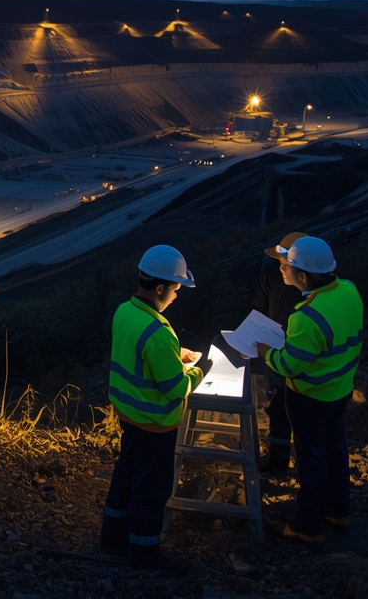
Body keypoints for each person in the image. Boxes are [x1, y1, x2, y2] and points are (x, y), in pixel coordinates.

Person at [99, 245, 205, 573]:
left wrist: (174, 357)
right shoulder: (159, 333)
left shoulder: (125, 312)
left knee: (126, 476)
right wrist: (200, 370)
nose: (176, 296)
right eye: (175, 289)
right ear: (160, 287)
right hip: (155, 424)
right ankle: (145, 555)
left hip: (129, 416)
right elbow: (175, 388)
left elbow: (139, 358)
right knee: (151, 490)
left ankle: (112, 541)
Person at [256, 236, 363, 547]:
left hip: (311, 397)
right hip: (340, 388)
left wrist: (267, 353)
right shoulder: (349, 290)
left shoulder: (306, 317)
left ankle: (308, 527)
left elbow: (289, 366)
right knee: (335, 451)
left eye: (286, 266)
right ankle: (338, 514)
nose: (282, 271)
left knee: (311, 459)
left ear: (303, 275)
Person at [253, 232, 308, 473]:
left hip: (294, 357)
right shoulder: (272, 276)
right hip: (279, 349)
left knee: (286, 407)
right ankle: (279, 458)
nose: (282, 268)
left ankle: (285, 460)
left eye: (284, 263)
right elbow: (259, 307)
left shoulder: (314, 296)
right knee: (280, 406)